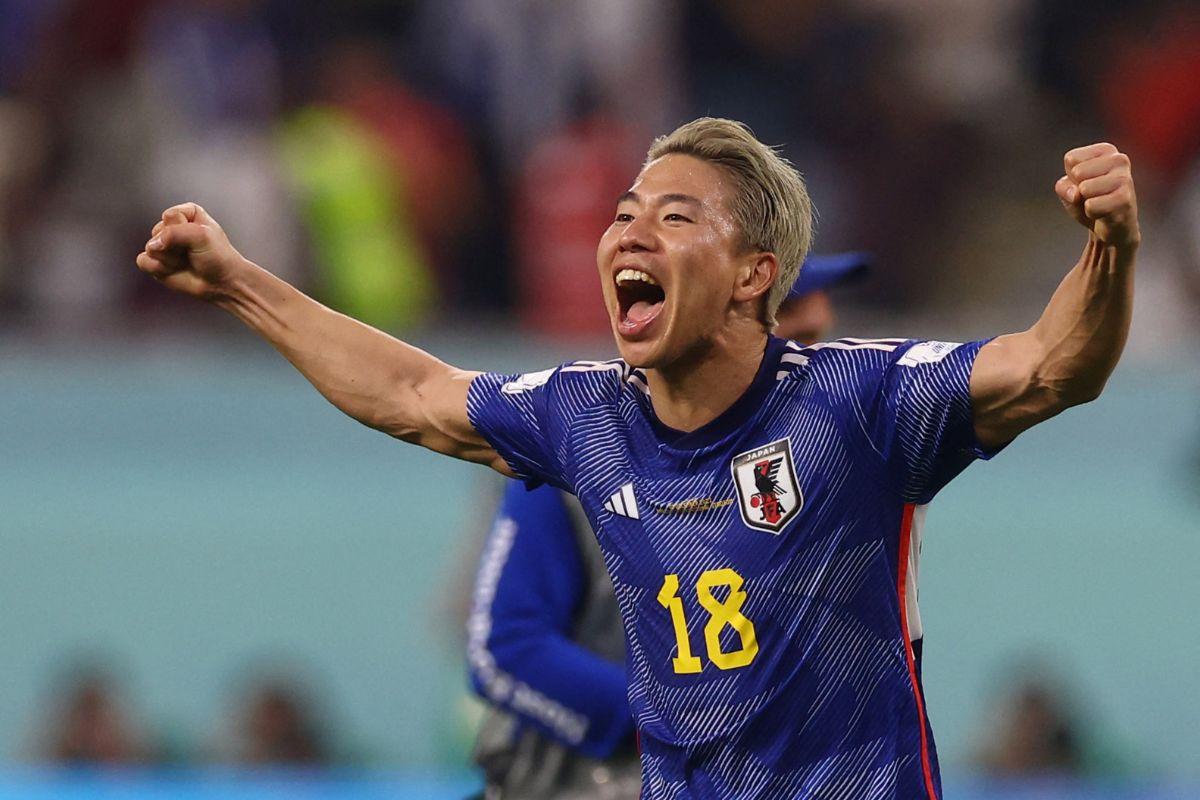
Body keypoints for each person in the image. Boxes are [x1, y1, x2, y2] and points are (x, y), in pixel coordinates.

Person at [136, 118, 1139, 798]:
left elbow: (1052, 366)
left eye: (675, 215)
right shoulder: (585, 415)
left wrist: (1110, 247)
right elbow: (413, 393)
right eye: (625, 212)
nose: (631, 230)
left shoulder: (855, 400)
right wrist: (236, 283)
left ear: (755, 276)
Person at [466, 253, 869, 800]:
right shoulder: (585, 446)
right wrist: (685, 720)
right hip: (577, 784)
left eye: (824, 334)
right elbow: (506, 650)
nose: (820, 356)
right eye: (795, 322)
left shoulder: (822, 467)